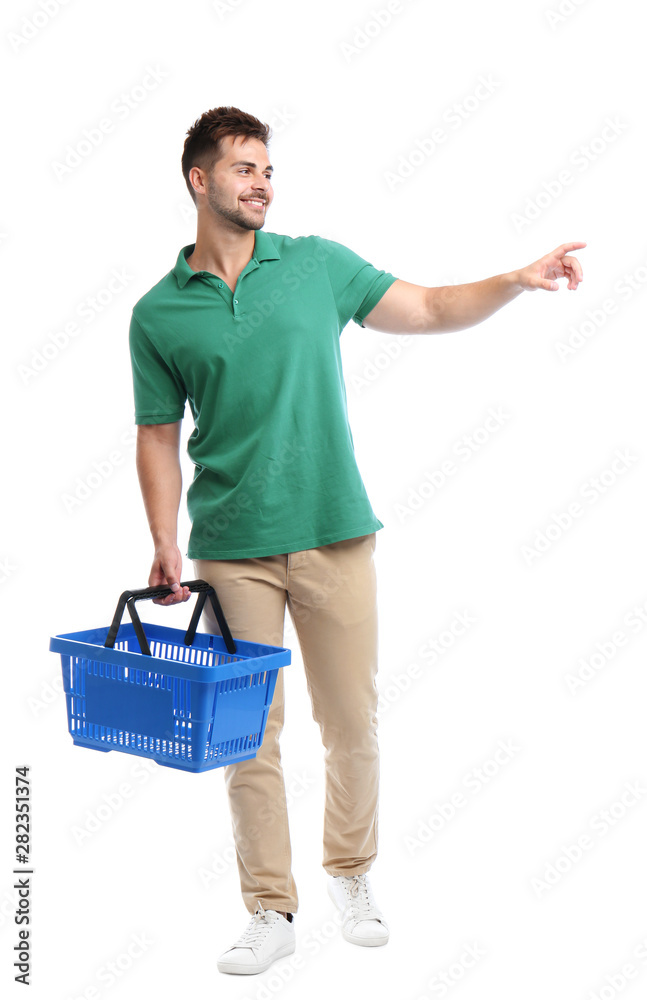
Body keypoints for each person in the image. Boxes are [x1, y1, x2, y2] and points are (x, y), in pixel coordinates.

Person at [128, 105, 585, 976]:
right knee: (245, 738)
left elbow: (428, 306)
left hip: (335, 533)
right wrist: (163, 539)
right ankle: (270, 908)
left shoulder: (314, 266)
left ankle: (352, 875)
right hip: (229, 547)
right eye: (244, 168)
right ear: (200, 180)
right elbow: (155, 433)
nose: (262, 181)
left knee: (351, 724)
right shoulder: (158, 313)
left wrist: (514, 279)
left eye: (268, 168)